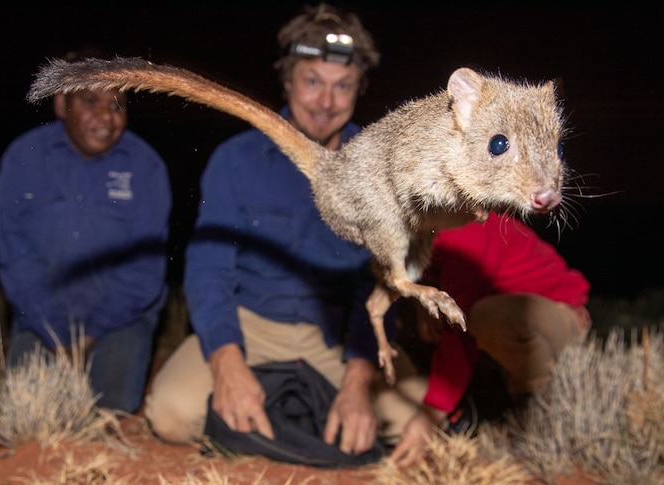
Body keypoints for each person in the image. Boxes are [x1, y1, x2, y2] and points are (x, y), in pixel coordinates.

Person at [144, 3, 422, 457]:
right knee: (172, 415)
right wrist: (227, 361)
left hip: (340, 334)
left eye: (342, 87)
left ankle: (290, 416)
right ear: (287, 79)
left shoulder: (385, 168)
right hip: (251, 322)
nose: (326, 102)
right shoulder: (235, 159)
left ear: (359, 90)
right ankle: (279, 411)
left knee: (412, 420)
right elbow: (209, 270)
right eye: (312, 81)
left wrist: (358, 381)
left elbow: (385, 284)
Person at [0, 48, 172, 414]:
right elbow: (16, 258)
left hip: (120, 317)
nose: (106, 116)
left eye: (117, 103)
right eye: (90, 101)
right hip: (42, 316)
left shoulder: (146, 167)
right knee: (26, 410)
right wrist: (55, 335)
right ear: (61, 104)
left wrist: (89, 338)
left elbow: (143, 273)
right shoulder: (22, 157)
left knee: (111, 409)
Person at [389, 212, 592, 467]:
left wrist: (430, 415)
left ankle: (535, 411)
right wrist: (422, 303)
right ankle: (479, 404)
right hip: (497, 316)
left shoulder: (464, 227)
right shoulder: (420, 230)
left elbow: (459, 330)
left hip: (557, 314)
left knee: (484, 317)